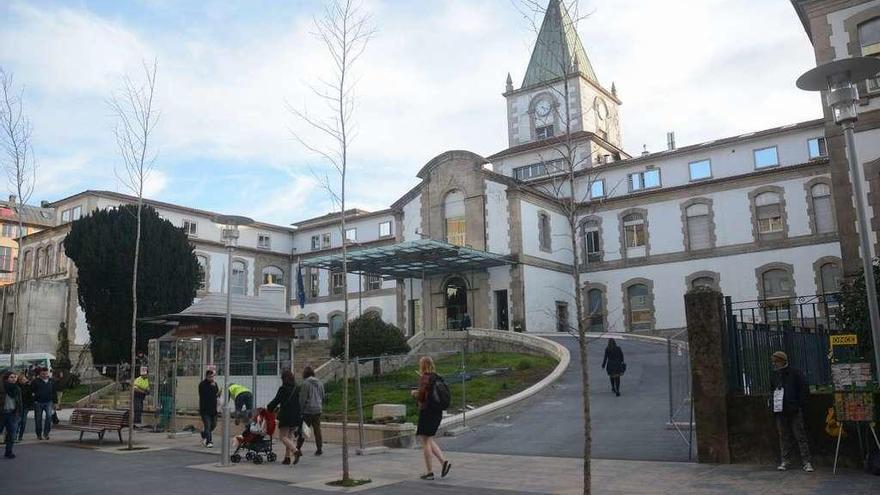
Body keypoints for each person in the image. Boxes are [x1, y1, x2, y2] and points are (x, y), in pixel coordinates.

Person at [771, 351, 813, 472]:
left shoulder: (795, 373)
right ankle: (785, 460)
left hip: (793, 409)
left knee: (800, 435)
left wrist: (798, 404)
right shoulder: (774, 375)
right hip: (780, 410)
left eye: (776, 361)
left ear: (782, 361)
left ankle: (806, 461)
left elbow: (803, 389)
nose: (774, 364)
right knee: (783, 436)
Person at [411, 356, 451, 480]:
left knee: (425, 441)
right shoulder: (437, 377)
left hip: (427, 412)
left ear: (422, 366)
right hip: (437, 411)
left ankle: (429, 472)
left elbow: (422, 397)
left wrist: (414, 394)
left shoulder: (425, 378)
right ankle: (443, 462)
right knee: (429, 439)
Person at [267, 369, 303, 465]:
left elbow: (276, 400)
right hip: (296, 416)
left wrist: (269, 408)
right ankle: (287, 458)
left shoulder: (283, 389)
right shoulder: (296, 388)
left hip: (286, 415)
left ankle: (295, 451)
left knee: (283, 437)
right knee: (289, 437)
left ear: (284, 379)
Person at [298, 366, 324, 456]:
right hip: (318, 409)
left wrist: (300, 410)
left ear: (305, 374)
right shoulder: (320, 383)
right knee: (317, 430)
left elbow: (303, 398)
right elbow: (322, 395)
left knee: (304, 430)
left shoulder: (305, 383)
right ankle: (319, 448)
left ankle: (298, 448)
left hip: (308, 410)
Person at [31, 367, 57, 440]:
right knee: (38, 419)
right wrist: (34, 400)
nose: (44, 375)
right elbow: (31, 391)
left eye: (46, 373)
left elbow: (54, 392)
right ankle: (39, 434)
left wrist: (55, 403)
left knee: (49, 417)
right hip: (38, 402)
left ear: (48, 373)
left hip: (48, 402)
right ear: (40, 374)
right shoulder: (35, 381)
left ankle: (46, 433)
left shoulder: (51, 381)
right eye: (43, 373)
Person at [198, 369, 219, 448]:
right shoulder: (202, 384)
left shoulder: (214, 384)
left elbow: (216, 394)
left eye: (212, 376)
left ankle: (204, 434)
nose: (212, 378)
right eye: (210, 377)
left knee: (213, 425)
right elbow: (205, 393)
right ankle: (209, 441)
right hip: (205, 409)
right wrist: (212, 387)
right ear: (206, 376)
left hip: (213, 409)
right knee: (207, 426)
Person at [3, 371, 22, 458]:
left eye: (15, 377)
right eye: (11, 377)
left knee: (11, 434)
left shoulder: (17, 388)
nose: (14, 379)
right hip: (2, 413)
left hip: (13, 413)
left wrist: (19, 413)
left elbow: (20, 402)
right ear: (6, 378)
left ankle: (9, 452)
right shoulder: (2, 387)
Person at [16, 374, 32, 442]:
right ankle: (15, 435)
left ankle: (20, 436)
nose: (24, 380)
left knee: (23, 421)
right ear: (19, 380)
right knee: (18, 421)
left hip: (25, 406)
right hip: (18, 406)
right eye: (23, 379)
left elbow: (30, 396)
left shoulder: (28, 386)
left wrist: (30, 405)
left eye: (25, 379)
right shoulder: (17, 387)